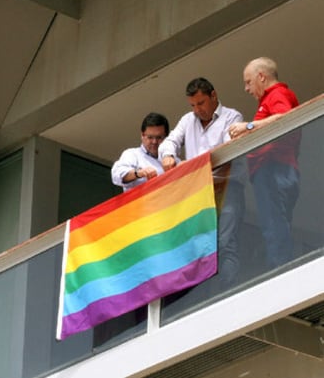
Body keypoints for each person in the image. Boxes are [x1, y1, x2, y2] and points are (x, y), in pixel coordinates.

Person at [158, 77, 245, 289]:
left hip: (226, 187)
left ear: (213, 96)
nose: (197, 109)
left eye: (201, 103)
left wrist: (192, 165)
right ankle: (207, 292)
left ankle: (227, 290)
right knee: (200, 246)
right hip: (198, 191)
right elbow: (170, 141)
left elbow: (227, 153)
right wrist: (168, 155)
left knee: (225, 243)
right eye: (193, 105)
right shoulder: (188, 120)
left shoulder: (232, 116)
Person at [229, 57, 300, 269]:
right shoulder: (268, 101)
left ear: (262, 76)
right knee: (276, 224)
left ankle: (280, 271)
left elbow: (284, 118)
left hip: (274, 169)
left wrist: (249, 127)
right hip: (277, 169)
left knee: (274, 226)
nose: (246, 88)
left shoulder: (277, 94)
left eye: (248, 82)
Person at [111, 112, 170, 192]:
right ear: (142, 135)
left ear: (166, 137)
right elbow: (117, 174)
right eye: (150, 137)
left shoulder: (173, 159)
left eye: (159, 137)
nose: (154, 142)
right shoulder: (132, 154)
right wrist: (139, 173)